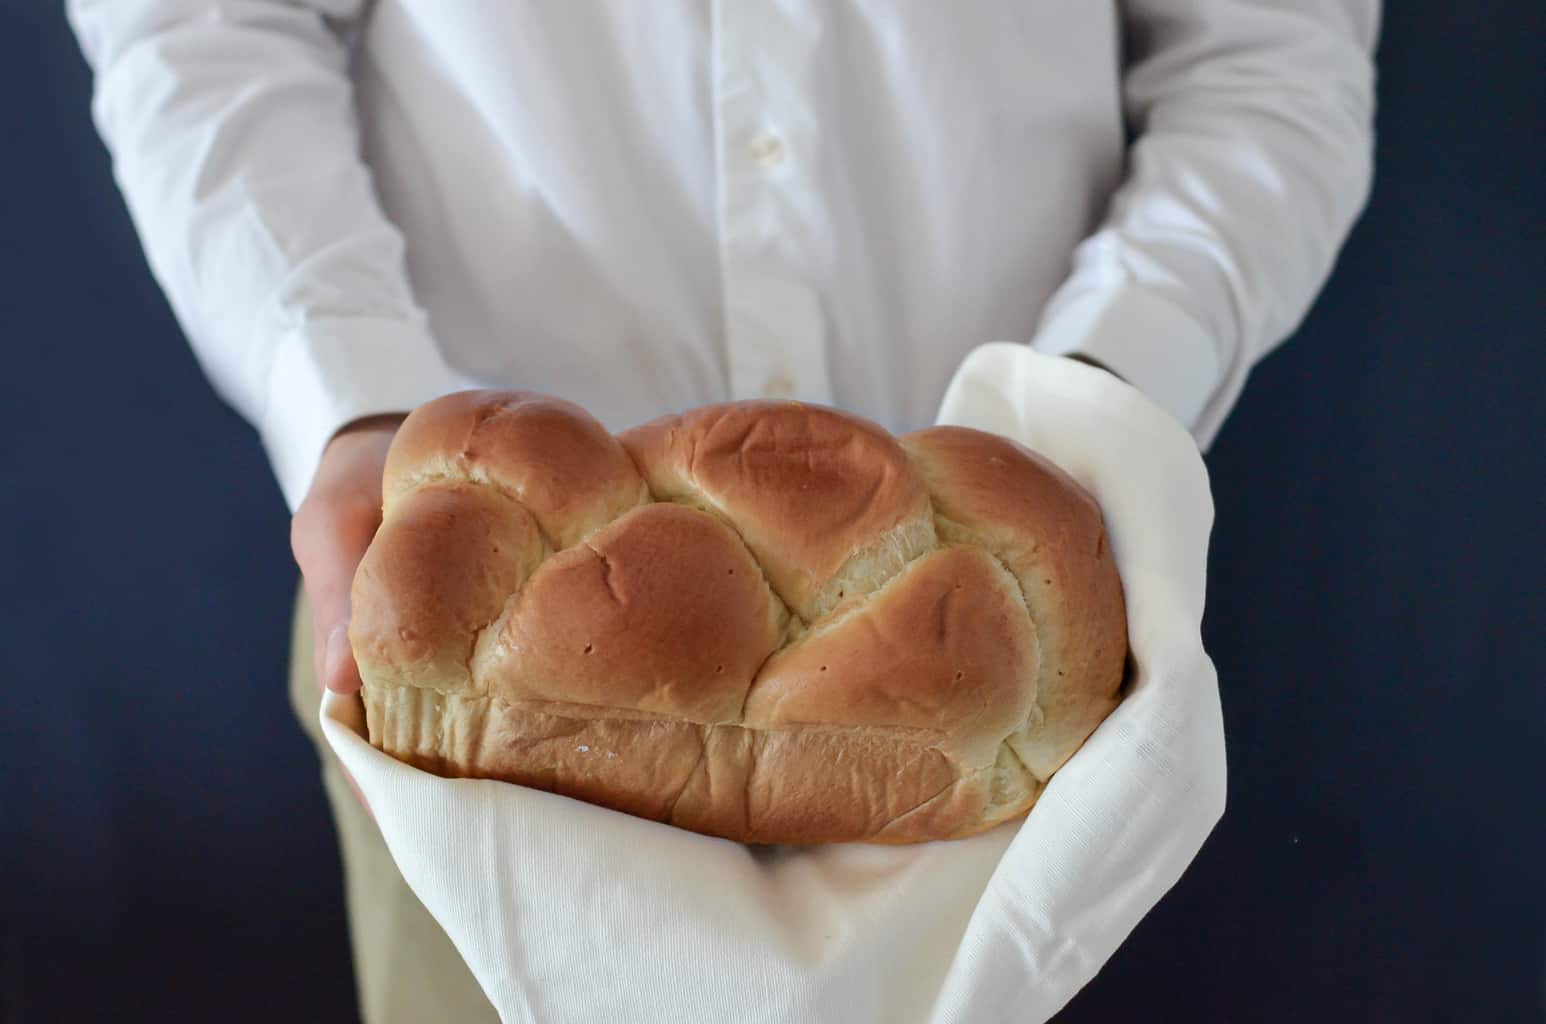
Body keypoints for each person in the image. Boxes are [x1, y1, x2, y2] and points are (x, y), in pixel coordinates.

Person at [68, 2, 1379, 1020]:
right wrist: (347, 401)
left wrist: (1093, 403)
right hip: (465, 656)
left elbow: (1269, 60)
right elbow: (202, 25)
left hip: (1013, 668)